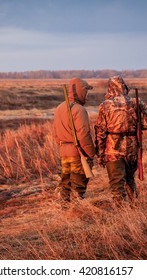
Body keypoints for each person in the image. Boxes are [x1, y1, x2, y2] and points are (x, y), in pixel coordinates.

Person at [95, 76, 147, 205]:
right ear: (125, 87)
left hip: (113, 149)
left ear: (110, 88)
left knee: (117, 183)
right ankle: (134, 206)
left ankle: (121, 212)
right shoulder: (136, 102)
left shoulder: (105, 105)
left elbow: (100, 131)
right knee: (130, 179)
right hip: (132, 148)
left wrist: (100, 153)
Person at [53, 78, 96, 207]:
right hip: (78, 152)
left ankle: (65, 208)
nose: (87, 95)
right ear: (80, 91)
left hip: (64, 152)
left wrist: (62, 147)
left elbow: (55, 133)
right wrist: (90, 152)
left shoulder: (59, 108)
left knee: (66, 181)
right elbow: (84, 135)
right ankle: (77, 211)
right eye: (86, 92)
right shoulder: (79, 110)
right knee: (78, 183)